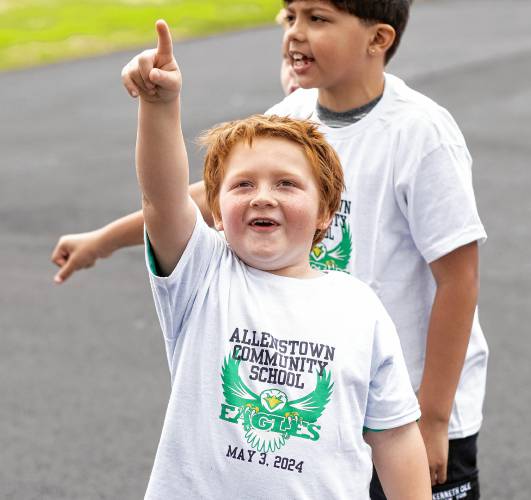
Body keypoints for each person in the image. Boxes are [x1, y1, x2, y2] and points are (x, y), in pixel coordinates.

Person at [52, 2, 488, 498]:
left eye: (317, 19)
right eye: (289, 17)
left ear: (378, 38)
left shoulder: (419, 136)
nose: (295, 33)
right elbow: (179, 197)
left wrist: (433, 417)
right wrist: (105, 237)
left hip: (408, 394)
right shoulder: (284, 127)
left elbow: (459, 280)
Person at [129, 19, 430, 499]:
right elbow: (162, 201)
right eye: (242, 184)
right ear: (218, 214)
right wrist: (160, 105)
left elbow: (394, 435)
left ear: (324, 212)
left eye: (286, 184)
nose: (262, 197)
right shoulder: (204, 274)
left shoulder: (360, 307)